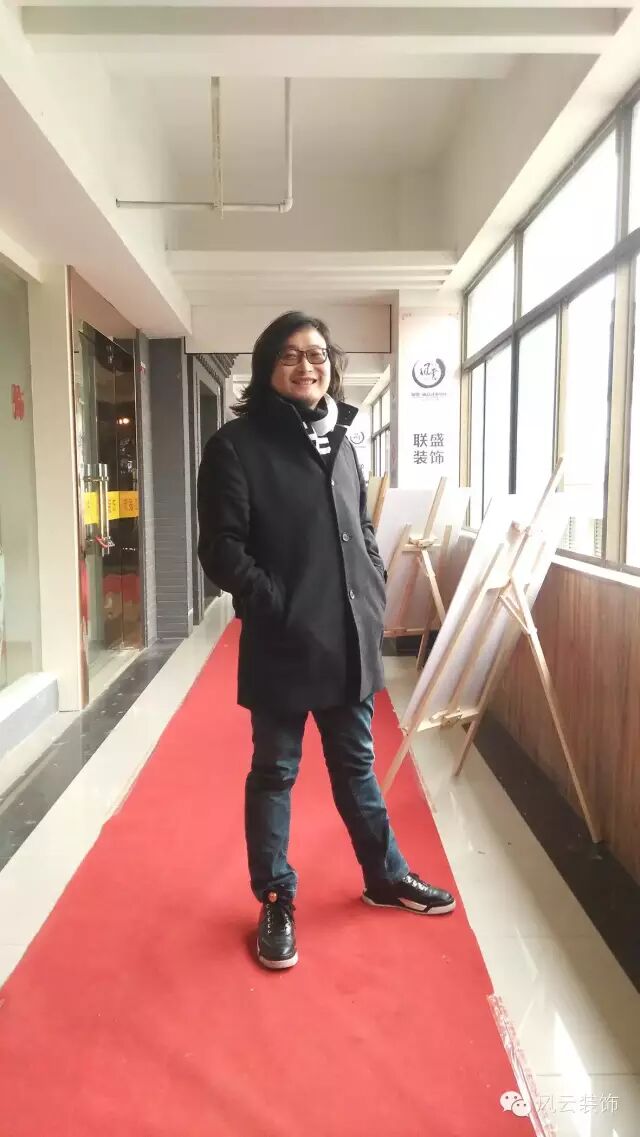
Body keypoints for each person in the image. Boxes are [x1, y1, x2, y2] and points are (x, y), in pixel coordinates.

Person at [197, 311, 455, 971]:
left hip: (347, 637)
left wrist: (372, 584)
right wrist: (276, 604)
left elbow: (358, 527)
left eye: (316, 354)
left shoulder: (341, 436)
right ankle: (276, 897)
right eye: (290, 355)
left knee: (357, 767)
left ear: (331, 366)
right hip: (283, 641)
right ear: (267, 368)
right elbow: (221, 550)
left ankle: (384, 876)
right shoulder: (235, 446)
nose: (306, 366)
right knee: (275, 773)